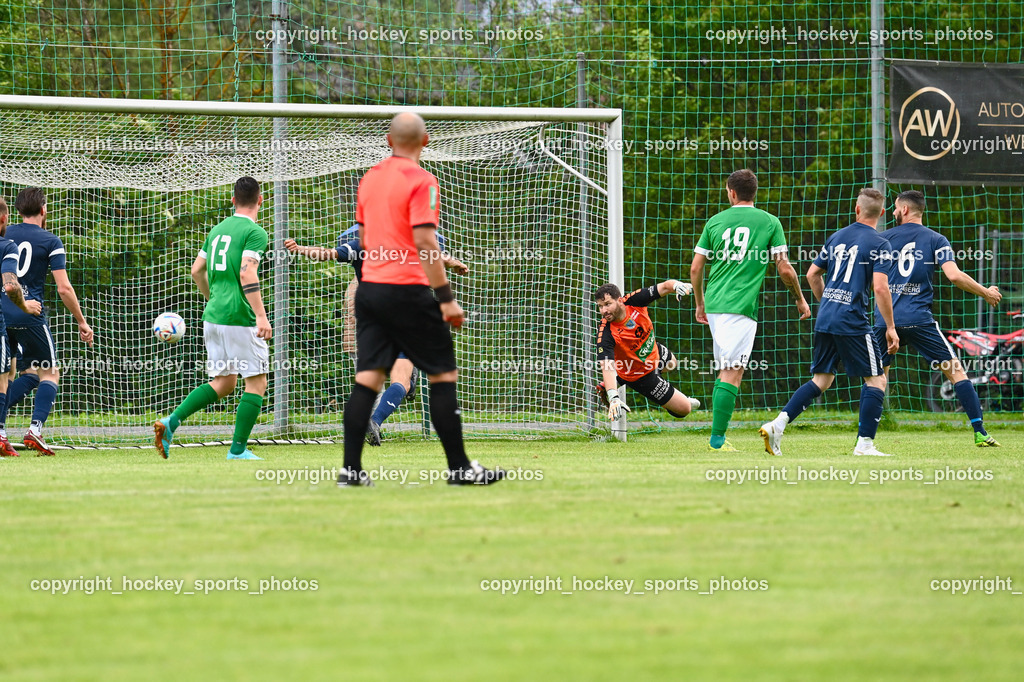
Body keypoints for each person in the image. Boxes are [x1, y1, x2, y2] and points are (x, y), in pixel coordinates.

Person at [337, 112, 503, 486]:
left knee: (366, 378)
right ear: (426, 141)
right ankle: (460, 469)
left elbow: (367, 239)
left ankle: (351, 471)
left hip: (370, 291)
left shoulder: (369, 180)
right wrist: (445, 298)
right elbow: (425, 242)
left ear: (387, 141)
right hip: (408, 292)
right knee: (442, 375)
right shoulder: (424, 180)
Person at [284, 225, 468, 445]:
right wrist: (453, 263)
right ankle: (377, 417)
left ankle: (372, 416)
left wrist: (299, 248)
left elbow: (328, 254)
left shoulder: (361, 245)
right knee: (401, 380)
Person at [760, 188, 900, 457]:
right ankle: (865, 445)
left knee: (821, 379)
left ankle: (778, 424)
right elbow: (881, 289)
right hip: (853, 321)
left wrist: (828, 302)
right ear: (882, 214)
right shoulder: (881, 244)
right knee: (877, 380)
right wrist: (891, 327)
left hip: (826, 317)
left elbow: (813, 274)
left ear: (857, 209)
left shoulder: (837, 237)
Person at [689, 169, 810, 451]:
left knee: (727, 369)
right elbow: (785, 268)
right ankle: (717, 441)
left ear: (731, 192)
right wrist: (799, 298)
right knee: (733, 371)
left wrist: (700, 302)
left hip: (716, 305)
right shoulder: (769, 222)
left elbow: (696, 268)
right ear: (754, 193)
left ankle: (717, 438)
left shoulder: (715, 221)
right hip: (741, 307)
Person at [154, 176, 272, 460]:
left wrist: (212, 299)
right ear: (260, 200)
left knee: (225, 382)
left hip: (214, 316)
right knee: (256, 382)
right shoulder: (255, 232)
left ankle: (171, 423)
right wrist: (261, 316)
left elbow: (197, 270)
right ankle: (238, 450)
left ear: (233, 201)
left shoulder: (217, 230)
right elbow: (247, 273)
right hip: (238, 317)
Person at [874, 190, 1002, 446]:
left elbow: (872, 281)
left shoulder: (882, 239)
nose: (894, 211)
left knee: (878, 379)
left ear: (906, 210)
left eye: (896, 208)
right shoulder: (936, 239)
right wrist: (986, 292)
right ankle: (979, 432)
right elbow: (954, 276)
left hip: (885, 320)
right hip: (919, 320)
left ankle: (866, 438)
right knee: (956, 372)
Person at [0, 188, 94, 456]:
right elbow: (64, 288)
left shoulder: (6, 235)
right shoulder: (51, 240)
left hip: (2, 315)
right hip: (30, 315)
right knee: (49, 372)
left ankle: (1, 432)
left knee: (15, 376)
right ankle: (35, 431)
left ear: (16, 212)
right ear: (43, 210)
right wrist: (81, 321)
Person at [594, 281, 700, 424]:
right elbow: (607, 365)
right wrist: (613, 397)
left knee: (672, 363)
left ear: (619, 301)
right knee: (684, 409)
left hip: (653, 351)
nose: (604, 310)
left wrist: (676, 285)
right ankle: (622, 382)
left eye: (607, 304)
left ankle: (619, 380)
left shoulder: (634, 301)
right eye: (600, 306)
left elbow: (663, 287)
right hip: (639, 375)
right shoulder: (605, 333)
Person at [0, 198, 43, 456]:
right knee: (4, 378)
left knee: (13, 371)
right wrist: (26, 305)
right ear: (4, 219)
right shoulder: (7, 246)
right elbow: (10, 284)